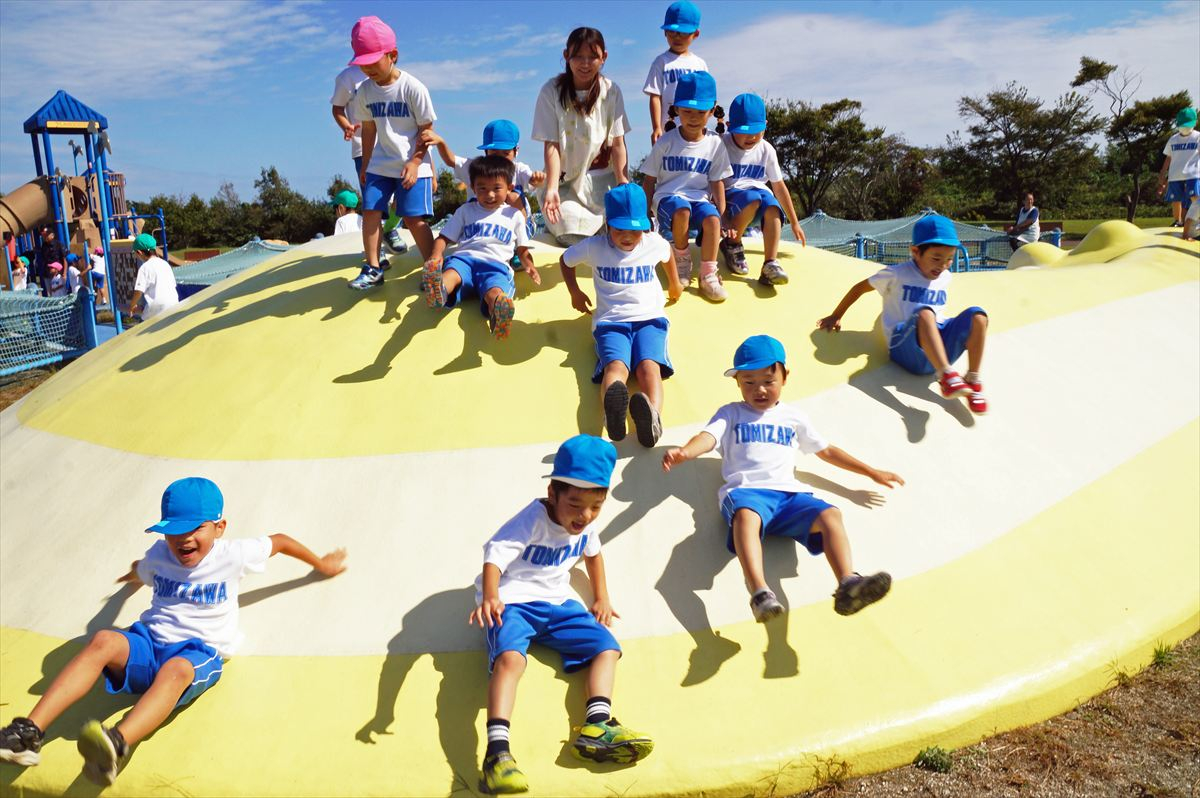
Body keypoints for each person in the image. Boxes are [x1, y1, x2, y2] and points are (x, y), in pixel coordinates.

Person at [0, 477, 347, 785]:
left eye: (194, 529)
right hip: (148, 642)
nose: (182, 540)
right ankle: (27, 733)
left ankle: (116, 743)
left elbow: (282, 541)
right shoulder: (160, 553)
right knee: (104, 639)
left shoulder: (234, 555)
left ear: (219, 527)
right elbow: (144, 567)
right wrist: (133, 577)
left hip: (198, 651)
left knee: (178, 671)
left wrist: (321, 564)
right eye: (173, 531)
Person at [662, 335, 901, 621]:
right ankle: (760, 592)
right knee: (746, 517)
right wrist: (686, 452)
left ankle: (848, 583)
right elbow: (708, 437)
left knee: (831, 515)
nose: (759, 389)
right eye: (748, 382)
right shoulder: (732, 412)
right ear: (737, 382)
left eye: (768, 381)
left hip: (790, 496)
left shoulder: (794, 417)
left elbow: (826, 451)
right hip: (747, 492)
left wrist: (871, 472)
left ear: (785, 377)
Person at [470, 435, 652, 794]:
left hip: (556, 602)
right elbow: (495, 554)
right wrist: (491, 595)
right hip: (513, 600)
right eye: (575, 505)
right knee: (511, 661)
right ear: (553, 493)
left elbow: (593, 553)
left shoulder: (586, 525)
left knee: (607, 646)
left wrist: (601, 596)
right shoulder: (532, 519)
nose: (585, 516)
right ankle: (497, 754)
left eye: (596, 507)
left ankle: (597, 725)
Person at [817, 215, 989, 415]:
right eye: (936, 258)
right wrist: (836, 315)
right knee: (925, 313)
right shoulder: (897, 274)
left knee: (978, 316)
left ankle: (973, 379)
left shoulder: (945, 277)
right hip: (904, 347)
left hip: (935, 349)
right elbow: (860, 288)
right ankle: (946, 376)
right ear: (915, 252)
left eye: (949, 259)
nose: (942, 265)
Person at [560, 184, 682, 447]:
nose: (627, 237)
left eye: (634, 230)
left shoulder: (652, 243)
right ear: (607, 225)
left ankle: (653, 418)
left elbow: (667, 254)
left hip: (650, 319)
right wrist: (574, 292)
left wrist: (675, 283)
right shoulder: (594, 247)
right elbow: (566, 260)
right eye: (620, 230)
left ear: (645, 226)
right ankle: (611, 414)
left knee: (649, 368)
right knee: (616, 368)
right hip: (611, 323)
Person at [346, 16, 437, 290]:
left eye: (374, 61)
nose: (368, 69)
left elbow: (426, 131)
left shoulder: (413, 88)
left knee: (412, 218)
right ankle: (373, 268)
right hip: (380, 163)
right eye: (362, 64)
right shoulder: (364, 91)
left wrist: (415, 162)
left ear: (393, 55)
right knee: (370, 209)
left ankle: (433, 266)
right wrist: (366, 162)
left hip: (413, 162)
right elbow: (370, 128)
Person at [532, 27, 631, 246]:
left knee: (627, 229)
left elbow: (617, 142)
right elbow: (552, 145)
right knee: (570, 234)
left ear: (603, 57)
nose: (585, 63)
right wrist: (551, 189)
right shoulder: (551, 91)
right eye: (578, 56)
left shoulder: (611, 90)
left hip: (603, 183)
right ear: (566, 56)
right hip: (565, 186)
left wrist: (623, 182)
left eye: (592, 57)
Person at [421, 156, 538, 341]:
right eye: (482, 188)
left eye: (496, 188)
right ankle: (439, 291)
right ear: (473, 188)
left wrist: (529, 265)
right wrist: (436, 256)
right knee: (451, 273)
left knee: (494, 290)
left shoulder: (514, 215)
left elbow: (522, 248)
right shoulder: (466, 211)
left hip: (495, 264)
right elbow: (443, 237)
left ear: (509, 187)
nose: (489, 194)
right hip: (465, 259)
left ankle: (498, 312)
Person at [640, 70, 732, 302]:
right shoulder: (666, 142)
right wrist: (644, 215)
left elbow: (716, 181)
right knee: (681, 209)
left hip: (699, 198)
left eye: (700, 112)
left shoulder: (715, 144)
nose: (693, 117)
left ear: (712, 112)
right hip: (668, 198)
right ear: (676, 109)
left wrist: (722, 215)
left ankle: (708, 273)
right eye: (687, 111)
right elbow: (649, 179)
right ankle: (681, 260)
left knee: (712, 219)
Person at [719, 92, 806, 286]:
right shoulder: (721, 144)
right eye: (744, 131)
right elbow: (712, 182)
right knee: (753, 198)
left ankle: (770, 263)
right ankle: (732, 245)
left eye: (756, 131)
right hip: (732, 199)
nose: (751, 136)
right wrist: (721, 217)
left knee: (772, 206)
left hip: (757, 198)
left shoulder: (767, 150)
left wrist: (794, 222)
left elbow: (779, 186)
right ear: (729, 127)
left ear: (766, 126)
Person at [331, 62, 407, 258]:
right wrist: (346, 126)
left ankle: (389, 229)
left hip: (394, 148)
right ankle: (374, 253)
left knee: (403, 196)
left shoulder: (393, 75)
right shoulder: (347, 77)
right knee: (374, 202)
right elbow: (337, 108)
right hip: (364, 150)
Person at [421, 120, 546, 235]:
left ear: (515, 151)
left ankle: (520, 239)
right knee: (473, 203)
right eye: (494, 153)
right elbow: (451, 160)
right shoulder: (477, 167)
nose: (499, 158)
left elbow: (532, 181)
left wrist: (537, 179)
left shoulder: (518, 169)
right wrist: (441, 142)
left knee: (511, 196)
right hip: (483, 224)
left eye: (506, 153)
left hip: (515, 224)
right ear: (486, 151)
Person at [643, 0, 707, 145]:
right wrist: (657, 127)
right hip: (668, 132)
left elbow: (706, 99)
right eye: (672, 32)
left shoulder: (700, 64)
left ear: (695, 34)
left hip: (694, 132)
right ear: (665, 32)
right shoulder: (661, 62)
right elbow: (655, 96)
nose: (677, 37)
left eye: (683, 33)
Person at [1157, 107, 1200, 227]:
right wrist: (1162, 175)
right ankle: (1178, 221)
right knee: (1175, 199)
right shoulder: (1173, 139)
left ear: (1194, 123)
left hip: (1193, 173)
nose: (1185, 128)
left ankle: (1198, 220)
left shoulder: (1198, 137)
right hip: (1175, 174)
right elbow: (1168, 158)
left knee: (1194, 196)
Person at [130, 233, 180, 321]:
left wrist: (132, 305)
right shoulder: (165, 264)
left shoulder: (145, 267)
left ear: (140, 252)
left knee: (141, 330)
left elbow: (138, 291)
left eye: (135, 253)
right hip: (174, 304)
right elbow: (173, 285)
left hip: (157, 308)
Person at [36, 225, 67, 295]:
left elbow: (64, 258)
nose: (45, 237)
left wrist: (64, 273)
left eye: (47, 235)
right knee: (51, 292)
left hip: (58, 273)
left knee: (60, 290)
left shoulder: (58, 244)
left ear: (52, 235)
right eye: (44, 236)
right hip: (47, 273)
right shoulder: (44, 246)